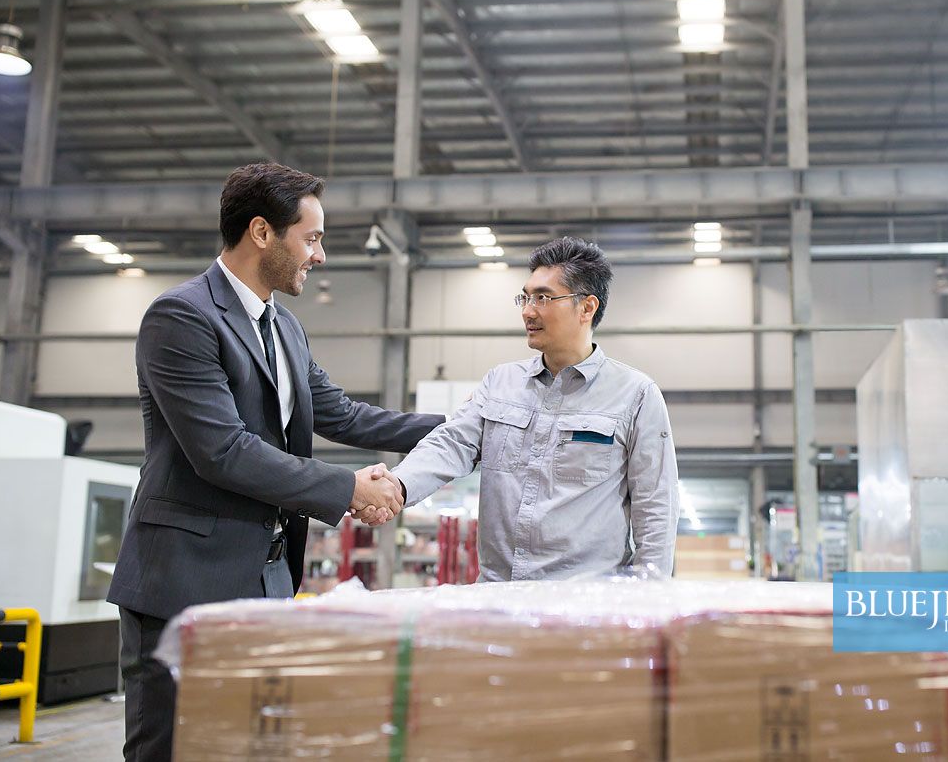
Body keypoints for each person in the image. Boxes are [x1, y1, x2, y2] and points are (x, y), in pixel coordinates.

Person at [108, 162, 445, 761]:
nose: (319, 256)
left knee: (242, 745)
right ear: (262, 232)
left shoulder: (283, 327)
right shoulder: (181, 317)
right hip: (183, 580)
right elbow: (223, 452)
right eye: (310, 238)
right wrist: (347, 488)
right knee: (172, 747)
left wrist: (471, 428)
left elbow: (342, 415)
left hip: (266, 579)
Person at [391, 236, 679, 581]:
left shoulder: (636, 395)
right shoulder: (500, 383)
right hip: (499, 596)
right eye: (525, 298)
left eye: (543, 297)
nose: (528, 311)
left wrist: (647, 599)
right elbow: (450, 444)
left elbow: (656, 508)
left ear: (587, 307)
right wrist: (397, 486)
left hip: (587, 605)